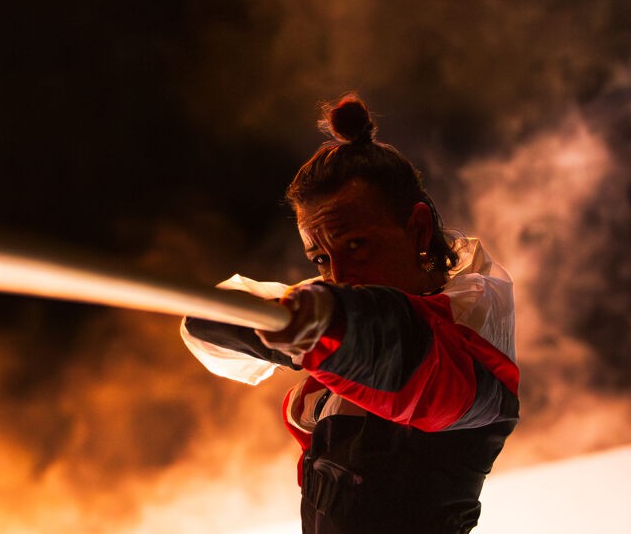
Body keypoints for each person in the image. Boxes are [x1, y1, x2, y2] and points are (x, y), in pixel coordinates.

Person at [181, 94, 518, 534]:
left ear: (416, 229)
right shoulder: (343, 318)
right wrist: (272, 318)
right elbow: (204, 326)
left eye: (357, 245)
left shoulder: (471, 336)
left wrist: (321, 323)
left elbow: (402, 356)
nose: (339, 274)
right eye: (320, 258)